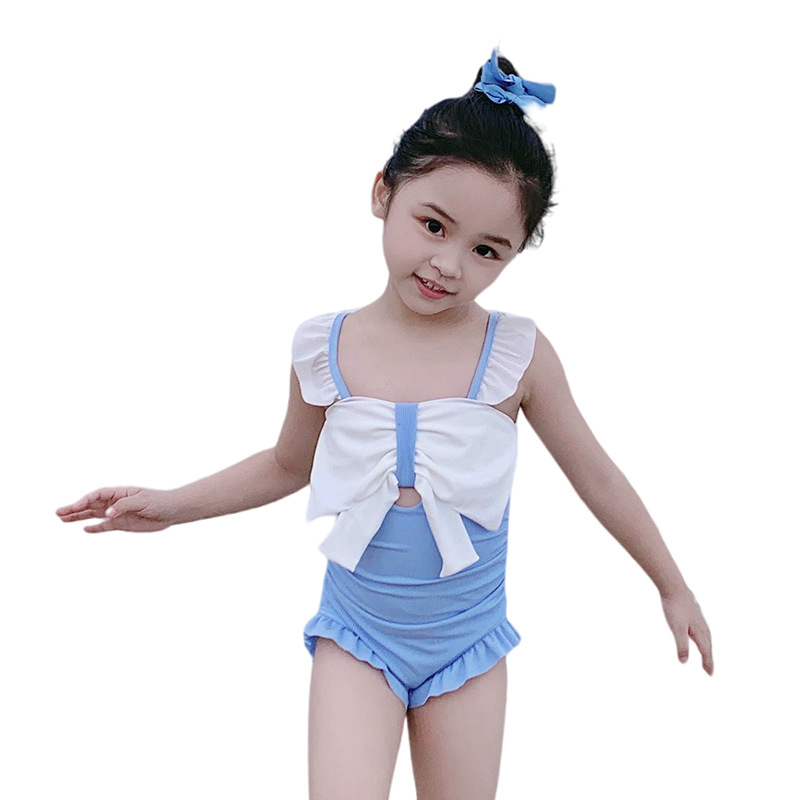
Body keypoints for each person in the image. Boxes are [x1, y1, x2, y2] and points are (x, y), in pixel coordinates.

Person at [56, 50, 713, 800]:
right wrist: (171, 505)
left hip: (466, 645)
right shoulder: (325, 345)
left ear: (513, 254)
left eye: (486, 250)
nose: (448, 264)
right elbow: (287, 464)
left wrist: (672, 586)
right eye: (433, 225)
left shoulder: (517, 354)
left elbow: (596, 475)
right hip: (357, 638)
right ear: (382, 193)